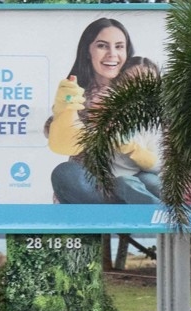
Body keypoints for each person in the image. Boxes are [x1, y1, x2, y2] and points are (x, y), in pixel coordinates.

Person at [46, 18, 134, 203]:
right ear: (88, 50)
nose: (112, 54)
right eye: (102, 46)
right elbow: (55, 134)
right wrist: (65, 115)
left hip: (133, 180)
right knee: (66, 173)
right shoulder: (75, 92)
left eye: (119, 46)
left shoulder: (139, 90)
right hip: (88, 185)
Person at [107, 56, 164, 204]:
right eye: (130, 82)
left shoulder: (152, 121)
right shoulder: (104, 109)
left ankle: (175, 215)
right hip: (111, 180)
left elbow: (158, 165)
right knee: (126, 183)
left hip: (140, 175)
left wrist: (135, 151)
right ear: (118, 83)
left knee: (155, 183)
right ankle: (158, 213)